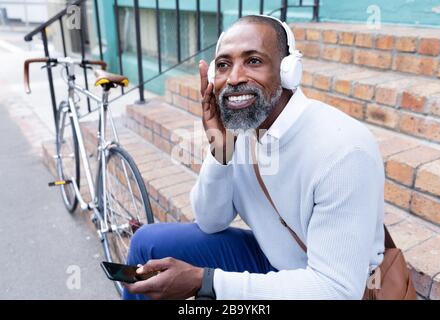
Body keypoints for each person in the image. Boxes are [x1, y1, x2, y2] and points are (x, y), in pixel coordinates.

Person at [123, 15, 385, 300]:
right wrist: (221, 154)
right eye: (223, 65)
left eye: (253, 61)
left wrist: (206, 282)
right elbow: (210, 221)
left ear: (288, 71)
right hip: (270, 258)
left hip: (326, 284)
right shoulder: (244, 129)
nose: (234, 78)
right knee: (146, 243)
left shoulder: (344, 150)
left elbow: (336, 290)